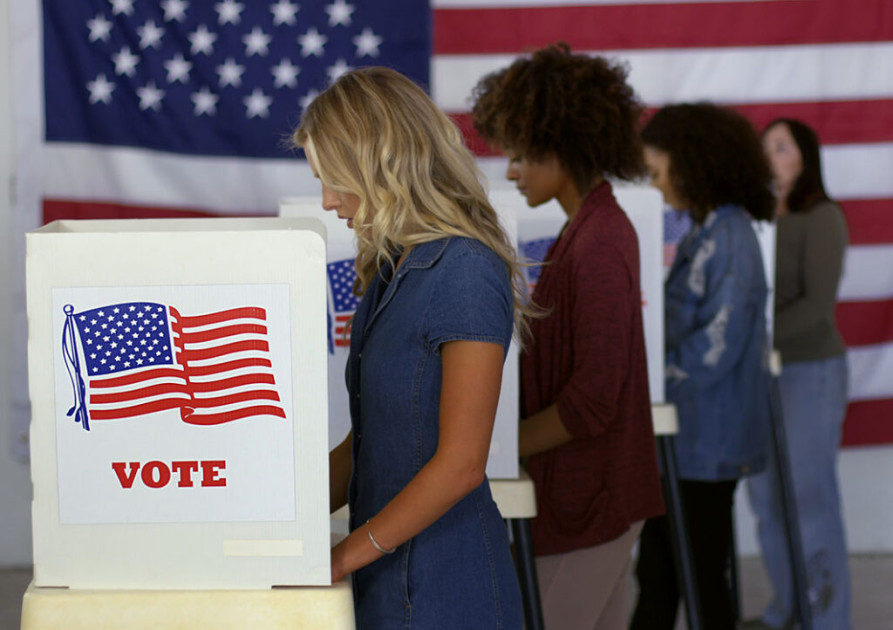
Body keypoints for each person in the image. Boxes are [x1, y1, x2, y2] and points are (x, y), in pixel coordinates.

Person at [293, 67, 533, 629]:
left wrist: (341, 557)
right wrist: (275, 524)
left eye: (334, 179)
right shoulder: (392, 268)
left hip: (448, 585)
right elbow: (366, 445)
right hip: (386, 574)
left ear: (380, 164)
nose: (327, 201)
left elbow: (462, 465)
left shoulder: (466, 268)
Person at [471, 44, 664, 630]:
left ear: (562, 145)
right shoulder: (587, 231)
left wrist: (489, 452)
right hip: (592, 496)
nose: (509, 170)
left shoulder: (599, 242)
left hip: (592, 498)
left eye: (521, 154)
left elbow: (594, 399)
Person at [630, 103, 774, 630]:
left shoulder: (730, 240)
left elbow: (713, 349)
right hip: (687, 439)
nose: (657, 186)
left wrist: (640, 382)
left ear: (692, 164)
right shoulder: (706, 231)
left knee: (698, 577)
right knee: (665, 573)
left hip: (706, 443)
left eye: (658, 172)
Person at [742, 119, 851, 630]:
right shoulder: (753, 218)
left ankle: (828, 619)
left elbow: (817, 305)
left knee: (809, 497)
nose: (771, 156)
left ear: (805, 157)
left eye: (781, 147)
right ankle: (790, 609)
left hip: (810, 371)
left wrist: (756, 337)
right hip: (759, 376)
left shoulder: (822, 217)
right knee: (767, 501)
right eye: (765, 148)